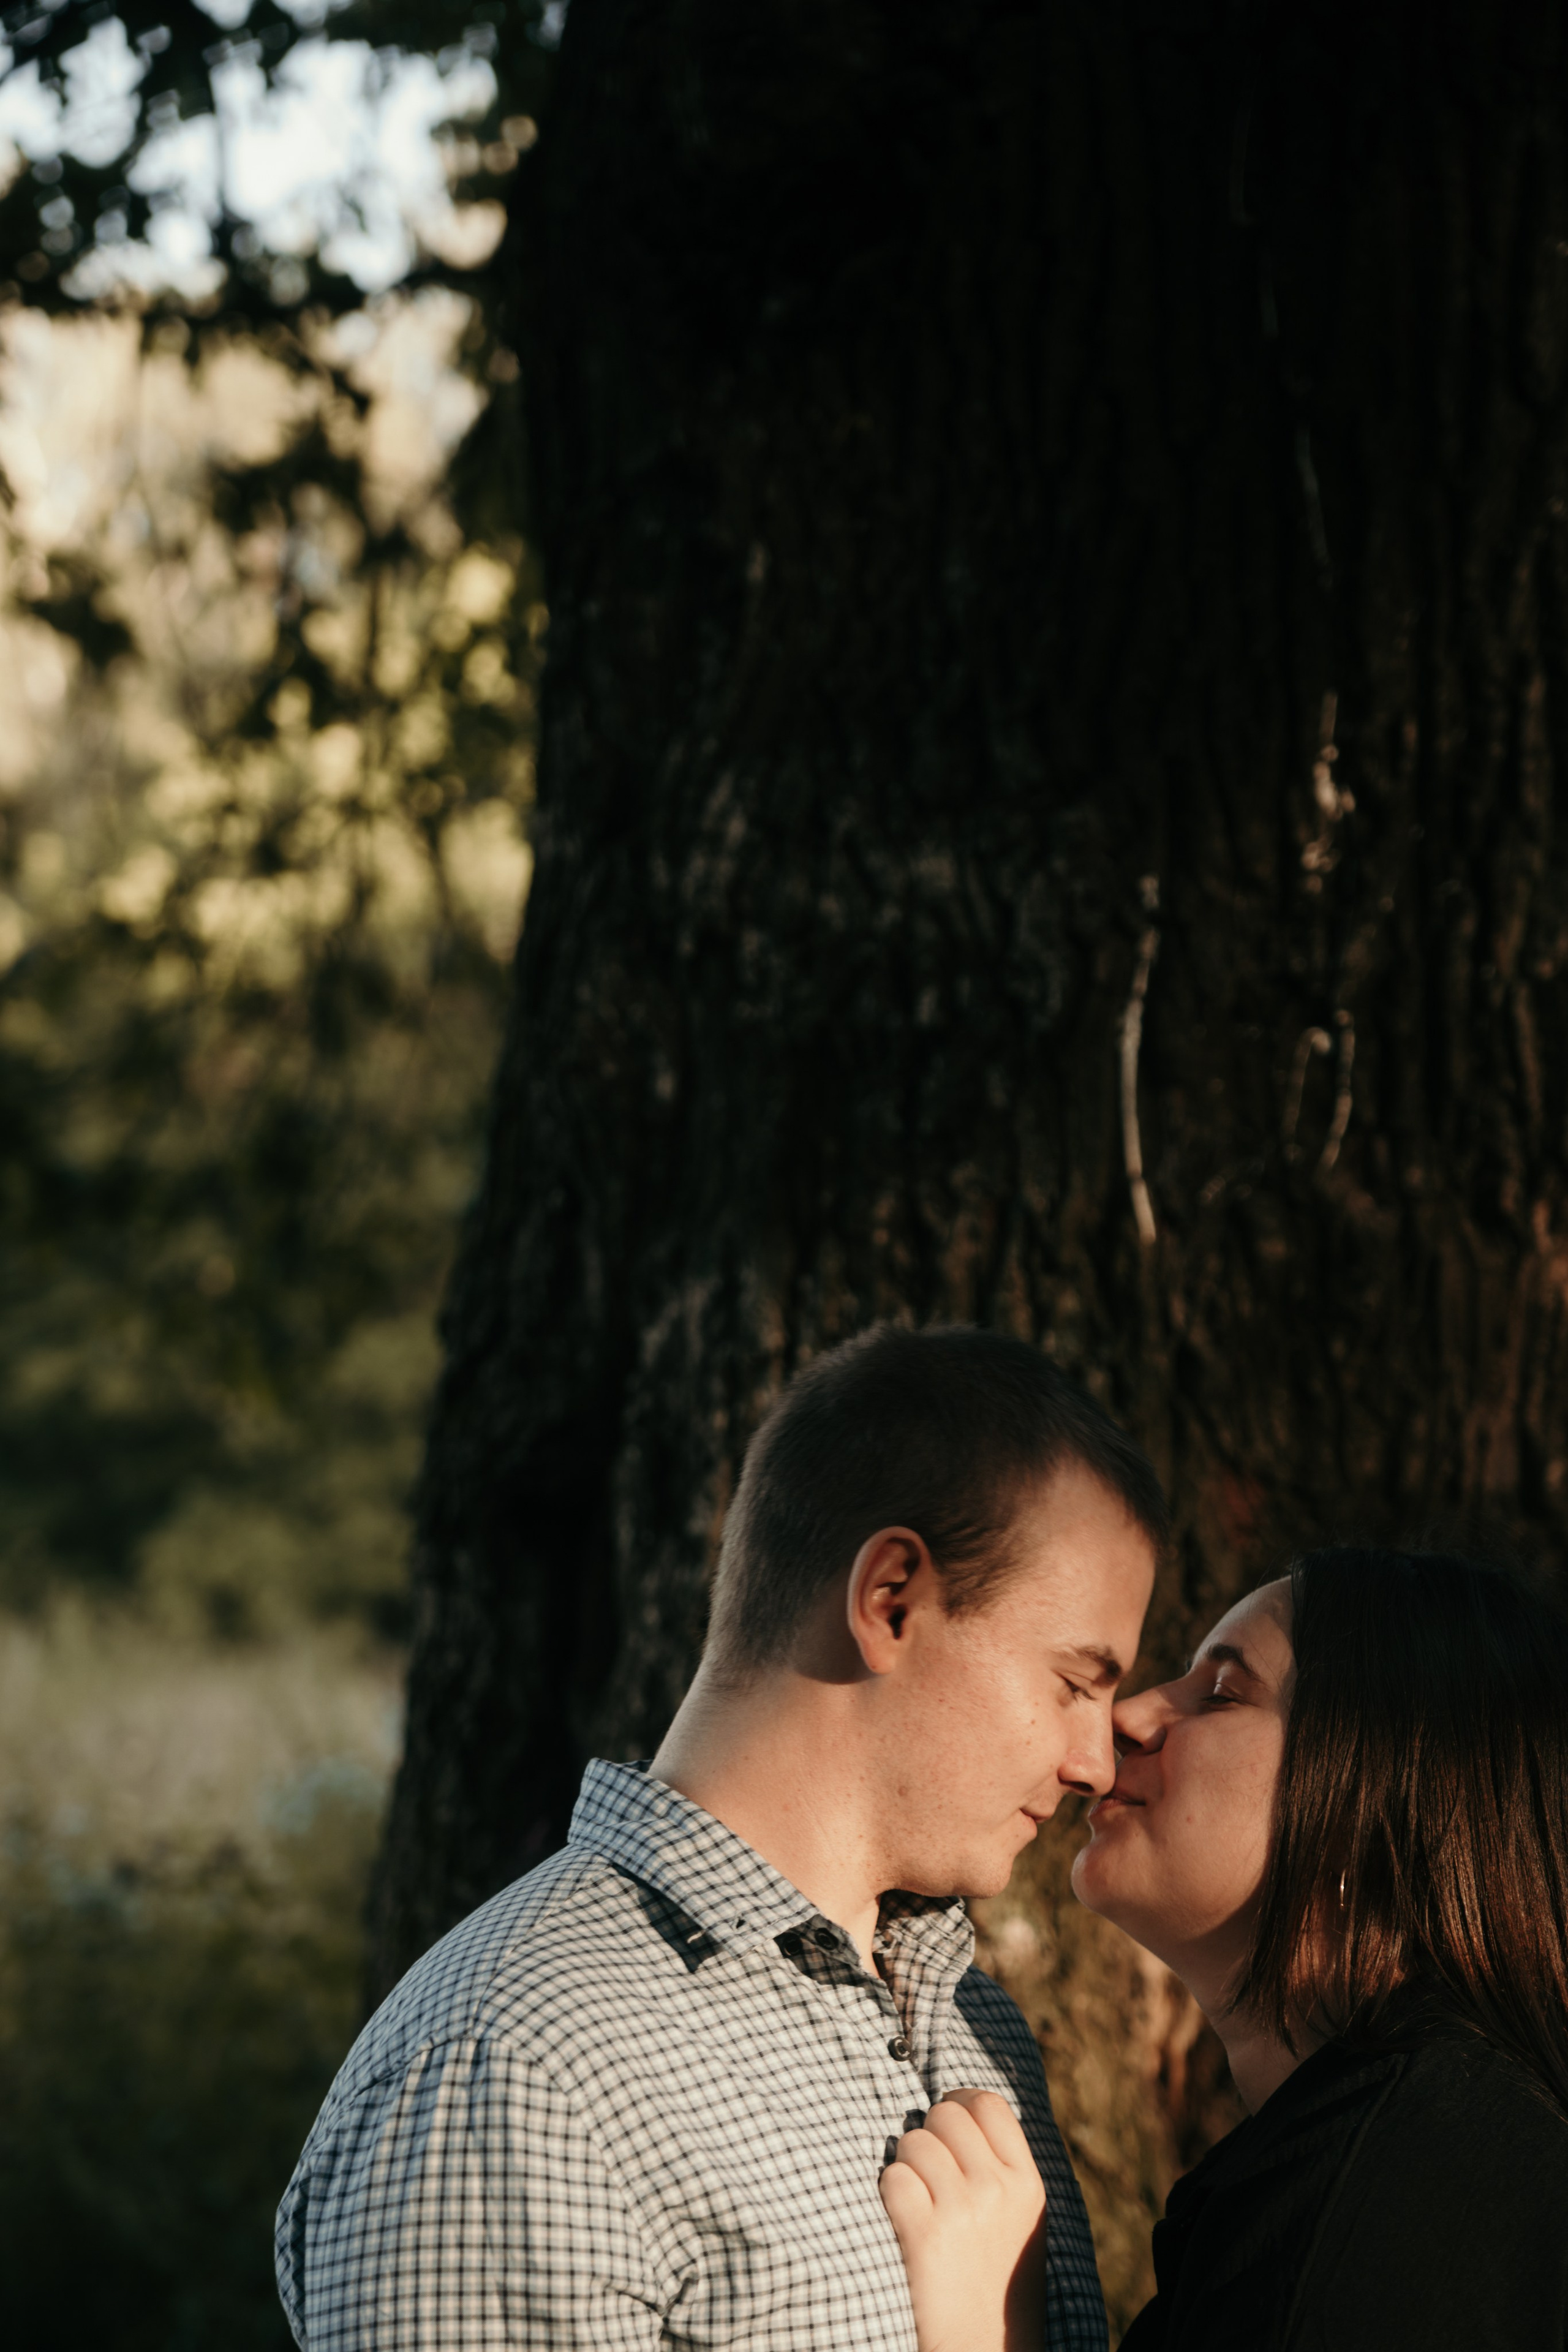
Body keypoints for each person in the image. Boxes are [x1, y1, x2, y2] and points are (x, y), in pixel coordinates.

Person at [275, 1322, 1163, 2350]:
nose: (1095, 1763)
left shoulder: (978, 2030)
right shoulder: (513, 2073)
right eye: (1073, 1683)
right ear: (891, 1602)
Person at [897, 1543, 1568, 2352]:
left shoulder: (1412, 2208)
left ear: (1375, 1806)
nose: (1126, 1717)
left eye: (1220, 1694)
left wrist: (985, 2333)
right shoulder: (1408, 2154)